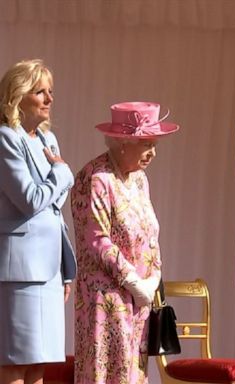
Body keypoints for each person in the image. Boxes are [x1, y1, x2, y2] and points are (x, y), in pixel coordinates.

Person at [71, 101, 179, 384]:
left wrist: (153, 277)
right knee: (105, 376)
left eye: (154, 144)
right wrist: (133, 281)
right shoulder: (94, 178)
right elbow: (95, 240)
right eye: (146, 144)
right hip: (106, 302)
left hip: (139, 302)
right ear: (122, 143)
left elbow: (151, 234)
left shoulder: (140, 179)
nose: (153, 153)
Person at [0, 59, 76, 384]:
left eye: (50, 92)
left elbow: (53, 206)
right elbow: (30, 199)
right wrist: (61, 172)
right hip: (20, 272)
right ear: (18, 96)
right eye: (39, 91)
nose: (49, 99)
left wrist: (65, 270)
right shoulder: (6, 138)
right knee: (15, 364)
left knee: (38, 366)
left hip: (49, 269)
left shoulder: (48, 140)